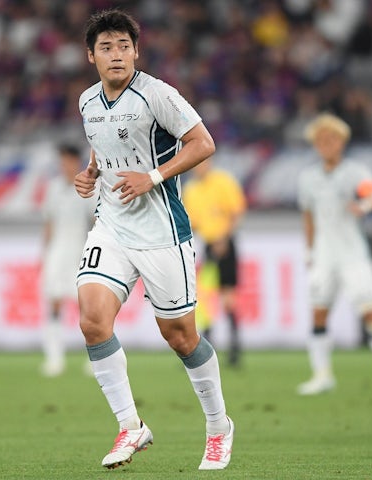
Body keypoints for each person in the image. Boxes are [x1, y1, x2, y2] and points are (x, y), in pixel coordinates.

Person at [73, 9, 233, 471]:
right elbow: (103, 149)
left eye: (124, 46)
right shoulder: (86, 102)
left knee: (180, 336)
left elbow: (204, 143)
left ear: (136, 51)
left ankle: (219, 427)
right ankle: (130, 425)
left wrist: (154, 175)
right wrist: (90, 174)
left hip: (163, 231)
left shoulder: (157, 94)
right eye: (106, 47)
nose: (116, 54)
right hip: (112, 226)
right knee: (92, 320)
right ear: (91, 56)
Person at [296, 112, 372, 396]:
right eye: (320, 140)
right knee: (318, 314)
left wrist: (364, 207)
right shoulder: (308, 177)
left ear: (342, 141)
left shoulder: (355, 172)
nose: (326, 144)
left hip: (353, 254)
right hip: (324, 254)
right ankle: (322, 374)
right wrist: (309, 251)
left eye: (331, 139)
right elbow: (308, 218)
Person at [183, 160, 246, 367]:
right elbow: (193, 221)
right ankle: (207, 349)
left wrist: (224, 237)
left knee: (228, 296)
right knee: (207, 297)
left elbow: (236, 211)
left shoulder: (222, 181)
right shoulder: (191, 189)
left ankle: (235, 350)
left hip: (226, 243)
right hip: (209, 245)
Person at [40, 143, 95, 377]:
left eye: (68, 161)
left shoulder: (87, 187)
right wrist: (45, 253)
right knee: (54, 302)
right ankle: (54, 358)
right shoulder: (53, 188)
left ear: (76, 162)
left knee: (88, 306)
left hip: (80, 251)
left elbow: (95, 221)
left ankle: (94, 358)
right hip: (57, 253)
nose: (65, 166)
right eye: (62, 161)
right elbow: (49, 222)